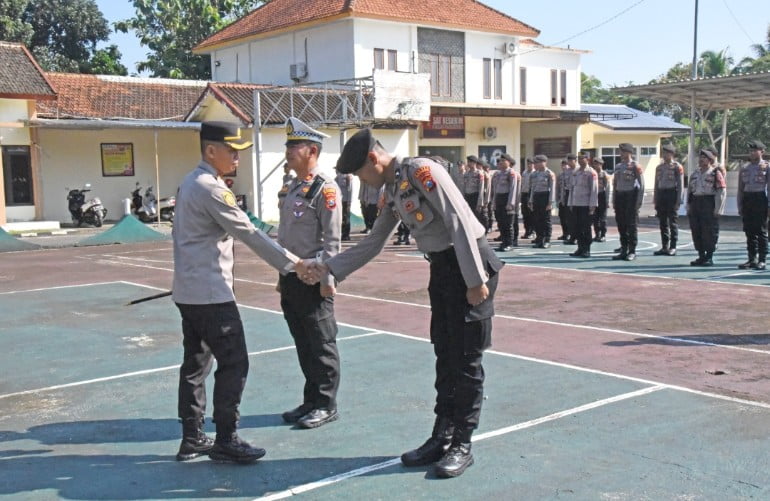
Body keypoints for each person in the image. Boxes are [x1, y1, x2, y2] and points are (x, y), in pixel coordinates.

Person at [305, 128, 503, 478]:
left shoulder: (421, 171)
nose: (362, 182)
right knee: (444, 353)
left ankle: (462, 442)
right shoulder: (394, 189)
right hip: (442, 269)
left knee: (467, 359)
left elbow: (457, 217)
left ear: (373, 159)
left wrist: (475, 280)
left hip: (470, 263)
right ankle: (441, 435)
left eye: (360, 174)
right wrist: (331, 269)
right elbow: (375, 241)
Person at [173, 121, 303, 464]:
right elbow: (249, 232)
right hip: (212, 295)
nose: (237, 158)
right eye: (232, 151)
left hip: (189, 292)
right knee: (234, 363)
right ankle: (226, 438)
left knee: (195, 365)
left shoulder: (191, 182)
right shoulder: (212, 189)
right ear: (211, 150)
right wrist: (293, 264)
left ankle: (192, 437)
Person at [278, 117, 343, 429]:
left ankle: (326, 403)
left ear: (312, 150)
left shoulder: (325, 190)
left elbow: (332, 241)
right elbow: (286, 237)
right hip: (291, 276)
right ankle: (311, 399)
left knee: (321, 343)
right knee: (303, 342)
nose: (288, 150)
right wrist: (282, 276)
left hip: (314, 277)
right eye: (288, 145)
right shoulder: (293, 187)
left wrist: (328, 281)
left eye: (294, 145)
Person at [687, 149, 726, 266]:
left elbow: (721, 191)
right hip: (696, 203)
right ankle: (701, 255)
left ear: (710, 160)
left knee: (709, 231)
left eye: (704, 158)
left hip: (709, 203)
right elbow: (690, 191)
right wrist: (688, 206)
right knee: (696, 230)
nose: (701, 160)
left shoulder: (715, 173)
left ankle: (709, 256)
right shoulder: (695, 174)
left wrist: (718, 208)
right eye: (700, 157)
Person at [736, 140, 769, 270]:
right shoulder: (744, 168)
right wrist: (740, 205)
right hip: (747, 200)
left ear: (762, 152)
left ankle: (762, 259)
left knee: (761, 230)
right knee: (749, 231)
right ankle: (752, 258)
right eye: (750, 151)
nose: (752, 153)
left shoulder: (766, 167)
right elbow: (740, 189)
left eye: (755, 150)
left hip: (760, 198)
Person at [611, 143, 645, 261]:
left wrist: (639, 201)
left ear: (629, 152)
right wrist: (614, 200)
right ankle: (623, 249)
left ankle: (632, 251)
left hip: (630, 197)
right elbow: (615, 184)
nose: (621, 154)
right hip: (620, 197)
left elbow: (642, 185)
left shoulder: (635, 166)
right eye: (620, 151)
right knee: (621, 224)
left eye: (623, 151)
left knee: (631, 225)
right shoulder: (618, 166)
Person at [653, 143, 685, 256]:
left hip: (672, 194)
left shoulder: (677, 167)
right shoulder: (659, 167)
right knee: (663, 222)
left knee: (673, 222)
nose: (665, 155)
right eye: (663, 153)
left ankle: (673, 246)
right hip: (662, 194)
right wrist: (655, 199)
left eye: (667, 153)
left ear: (672, 154)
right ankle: (664, 246)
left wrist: (679, 200)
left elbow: (681, 185)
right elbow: (656, 184)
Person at [567, 153, 598, 258]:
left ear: (587, 159)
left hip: (585, 204)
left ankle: (586, 249)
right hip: (576, 204)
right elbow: (572, 188)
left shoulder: (591, 173)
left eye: (582, 158)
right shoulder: (575, 172)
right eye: (578, 159)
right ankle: (580, 248)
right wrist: (570, 203)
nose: (580, 161)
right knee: (577, 227)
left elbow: (594, 190)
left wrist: (593, 205)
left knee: (586, 228)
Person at [491, 153, 520, 251]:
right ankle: (503, 242)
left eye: (504, 161)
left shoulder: (511, 173)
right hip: (499, 199)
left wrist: (510, 203)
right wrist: (494, 202)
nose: (501, 162)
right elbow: (495, 190)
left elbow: (513, 189)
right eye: (501, 161)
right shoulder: (498, 174)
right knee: (501, 223)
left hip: (507, 199)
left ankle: (509, 244)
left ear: (509, 162)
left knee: (508, 224)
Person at [528, 154, 556, 249]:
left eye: (537, 162)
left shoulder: (549, 173)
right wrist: (531, 200)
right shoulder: (534, 174)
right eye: (535, 163)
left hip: (545, 197)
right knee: (537, 220)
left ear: (544, 162)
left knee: (546, 220)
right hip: (536, 197)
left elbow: (552, 189)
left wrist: (550, 202)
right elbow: (532, 188)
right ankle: (539, 239)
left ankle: (547, 240)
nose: (535, 165)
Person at [591, 158, 611, 242]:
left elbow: (607, 188)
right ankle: (597, 234)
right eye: (594, 164)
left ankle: (603, 234)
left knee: (602, 217)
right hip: (594, 196)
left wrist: (607, 200)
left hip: (602, 195)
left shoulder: (604, 175)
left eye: (597, 164)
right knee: (595, 217)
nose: (595, 166)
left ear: (601, 164)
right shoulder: (592, 174)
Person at [463, 156, 486, 226]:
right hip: (467, 196)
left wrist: (480, 202)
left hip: (475, 197)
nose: (468, 164)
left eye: (470, 162)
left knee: (477, 217)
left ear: (474, 163)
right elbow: (464, 186)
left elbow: (481, 189)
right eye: (468, 162)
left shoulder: (479, 173)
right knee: (468, 216)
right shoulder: (466, 174)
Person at [335, 167, 354, 241]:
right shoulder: (337, 177)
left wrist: (349, 201)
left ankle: (346, 235)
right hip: (339, 200)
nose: (336, 171)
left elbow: (350, 189)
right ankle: (342, 233)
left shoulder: (348, 176)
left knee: (346, 218)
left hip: (346, 200)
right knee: (340, 217)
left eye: (337, 169)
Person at [520, 157, 535, 239]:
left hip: (531, 194)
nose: (529, 165)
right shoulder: (524, 172)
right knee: (525, 214)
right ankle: (527, 231)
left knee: (531, 214)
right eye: (528, 164)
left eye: (531, 164)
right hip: (524, 194)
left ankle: (532, 231)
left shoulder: (534, 173)